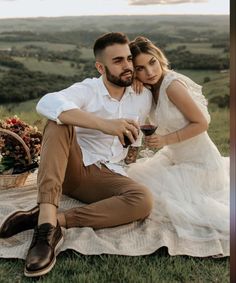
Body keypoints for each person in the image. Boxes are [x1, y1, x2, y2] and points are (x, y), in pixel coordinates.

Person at [0, 32, 153, 277]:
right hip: (71, 168)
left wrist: (133, 152)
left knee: (142, 199)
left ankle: (53, 220)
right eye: (118, 61)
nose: (127, 66)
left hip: (105, 173)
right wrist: (106, 124)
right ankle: (46, 231)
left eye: (128, 59)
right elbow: (47, 102)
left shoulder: (141, 95)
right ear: (100, 67)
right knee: (58, 121)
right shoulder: (88, 89)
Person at [126, 36, 229, 257]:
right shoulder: (149, 88)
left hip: (201, 165)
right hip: (174, 158)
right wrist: (136, 84)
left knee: (160, 200)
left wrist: (165, 140)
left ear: (159, 58)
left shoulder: (172, 86)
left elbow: (201, 123)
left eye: (152, 62)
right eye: (140, 68)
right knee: (135, 183)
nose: (150, 72)